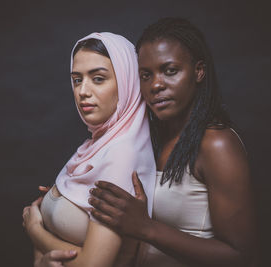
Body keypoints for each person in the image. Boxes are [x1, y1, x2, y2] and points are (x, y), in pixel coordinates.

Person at [87, 18, 258, 266]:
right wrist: (66, 200)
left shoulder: (216, 144)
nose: (156, 85)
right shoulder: (151, 139)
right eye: (146, 75)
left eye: (170, 71)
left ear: (198, 71)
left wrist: (146, 228)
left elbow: (241, 255)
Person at [22, 32, 156, 267]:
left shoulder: (121, 154)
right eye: (77, 79)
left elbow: (92, 264)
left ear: (126, 82)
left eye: (98, 79)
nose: (83, 91)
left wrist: (35, 230)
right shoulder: (96, 146)